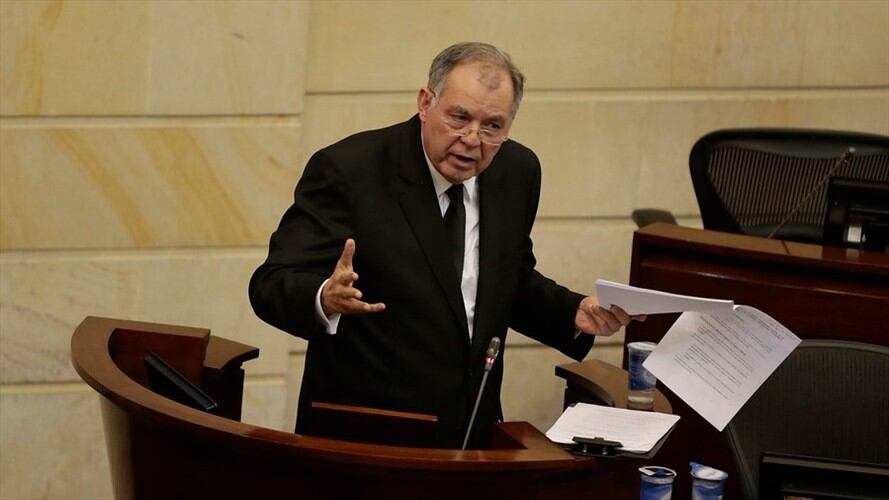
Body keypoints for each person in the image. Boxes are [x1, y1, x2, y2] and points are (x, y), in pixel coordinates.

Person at [249, 42, 641, 449]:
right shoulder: (350, 170)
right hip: (369, 438)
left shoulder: (516, 172)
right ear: (425, 103)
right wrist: (324, 297)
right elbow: (271, 283)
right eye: (459, 117)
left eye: (493, 126)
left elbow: (505, 278)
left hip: (472, 431)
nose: (473, 139)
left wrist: (572, 311)